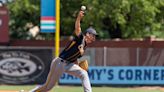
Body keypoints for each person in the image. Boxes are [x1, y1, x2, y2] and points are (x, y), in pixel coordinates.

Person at [30, 10, 97, 92]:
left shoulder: (85, 45)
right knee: (47, 87)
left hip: (69, 64)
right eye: (93, 35)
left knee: (84, 74)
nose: (94, 38)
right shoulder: (80, 38)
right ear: (87, 34)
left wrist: (78, 65)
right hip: (59, 63)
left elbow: (75, 58)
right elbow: (77, 28)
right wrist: (79, 17)